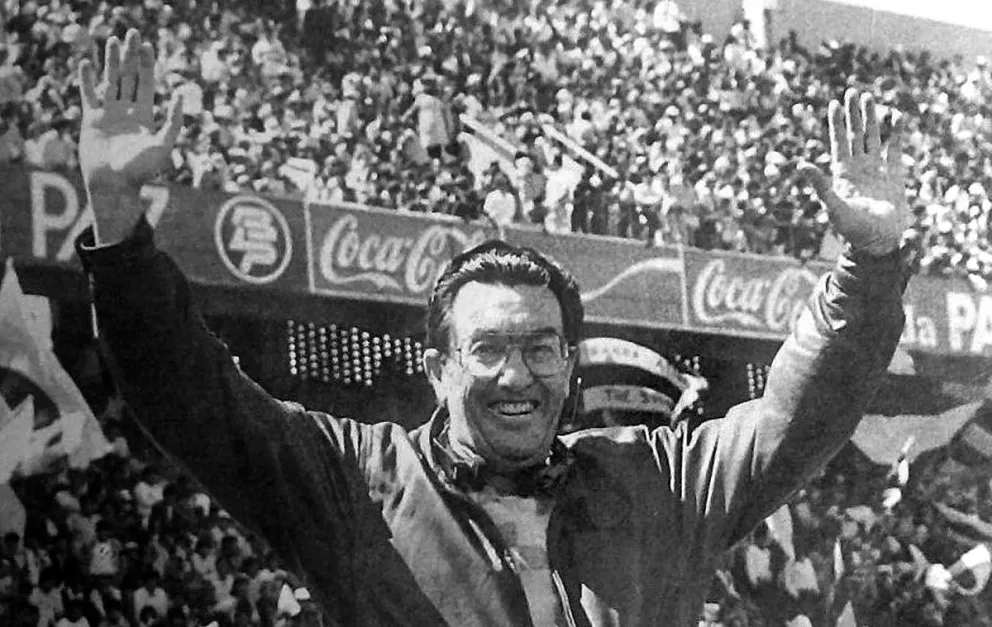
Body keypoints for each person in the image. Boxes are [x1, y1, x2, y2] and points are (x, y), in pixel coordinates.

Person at [74, 30, 911, 626]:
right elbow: (193, 398)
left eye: (542, 347)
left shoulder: (661, 483)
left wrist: (869, 264)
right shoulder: (353, 482)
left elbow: (793, 416)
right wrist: (116, 224)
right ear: (438, 368)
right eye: (490, 349)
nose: (520, 374)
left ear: (570, 364)